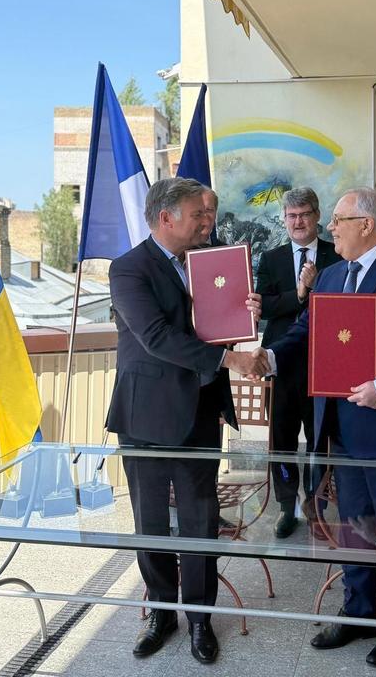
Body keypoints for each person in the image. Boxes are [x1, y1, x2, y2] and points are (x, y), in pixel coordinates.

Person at [254, 188, 376, 667]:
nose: (329, 228)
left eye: (338, 220)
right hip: (341, 429)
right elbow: (307, 332)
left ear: (366, 224)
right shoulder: (331, 275)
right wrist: (271, 358)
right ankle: (359, 611)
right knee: (356, 530)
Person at [106, 177, 268, 664]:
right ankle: (161, 614)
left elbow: (218, 325)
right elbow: (155, 336)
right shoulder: (129, 268)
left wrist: (246, 312)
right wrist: (231, 360)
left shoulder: (210, 261)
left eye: (209, 213)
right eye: (199, 214)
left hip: (200, 411)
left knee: (200, 521)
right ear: (166, 218)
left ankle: (200, 618)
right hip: (146, 416)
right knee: (151, 521)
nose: (208, 222)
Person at [255, 187, 341, 538]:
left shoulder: (337, 255)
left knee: (320, 441)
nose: (298, 221)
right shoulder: (271, 258)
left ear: (317, 216)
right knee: (282, 441)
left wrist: (316, 287)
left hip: (325, 365)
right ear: (284, 219)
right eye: (292, 216)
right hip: (281, 366)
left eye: (304, 214)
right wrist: (301, 294)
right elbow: (265, 307)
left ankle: (316, 507)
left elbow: (344, 305)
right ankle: (286, 506)